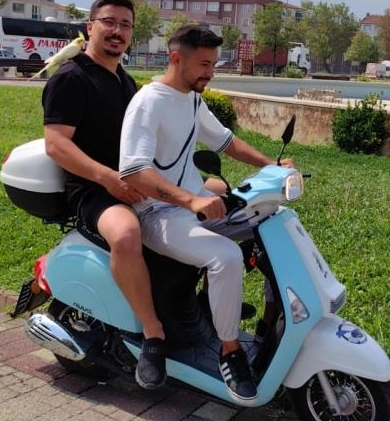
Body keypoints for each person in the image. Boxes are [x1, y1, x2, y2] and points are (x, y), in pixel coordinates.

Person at [119, 24, 294, 404]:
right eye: (204, 64)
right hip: (157, 213)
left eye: (214, 64)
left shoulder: (192, 100)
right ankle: (230, 352)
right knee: (226, 256)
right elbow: (133, 171)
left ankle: (270, 322)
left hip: (191, 202)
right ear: (176, 58)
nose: (211, 72)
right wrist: (190, 200)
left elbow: (225, 142)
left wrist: (272, 166)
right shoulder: (148, 102)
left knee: (269, 222)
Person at [41, 0, 167, 389]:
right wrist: (108, 178)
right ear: (90, 26)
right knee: (126, 235)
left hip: (131, 180)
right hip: (92, 189)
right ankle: (153, 335)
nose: (117, 31)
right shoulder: (71, 78)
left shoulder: (123, 80)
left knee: (213, 200)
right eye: (109, 22)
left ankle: (191, 312)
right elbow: (56, 145)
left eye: (125, 25)